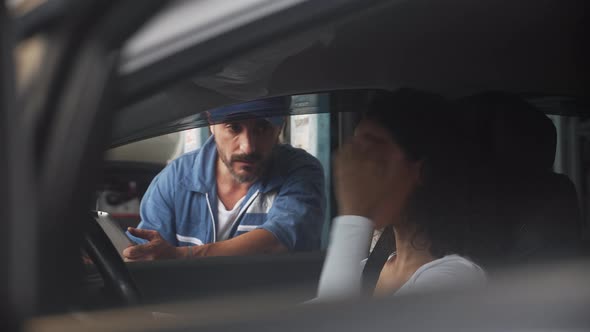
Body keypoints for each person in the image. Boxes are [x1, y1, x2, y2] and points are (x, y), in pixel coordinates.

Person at [318, 89, 485, 299]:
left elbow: (331, 324)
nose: (353, 167)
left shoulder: (455, 278)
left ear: (422, 171)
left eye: (370, 152)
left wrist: (353, 214)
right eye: (354, 152)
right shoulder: (367, 270)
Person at [123, 96, 326, 261]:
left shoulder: (300, 171)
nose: (248, 147)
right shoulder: (175, 179)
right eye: (234, 127)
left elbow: (279, 242)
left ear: (280, 126)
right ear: (211, 124)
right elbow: (146, 253)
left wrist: (183, 255)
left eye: (262, 128)